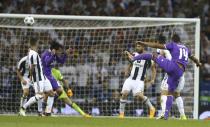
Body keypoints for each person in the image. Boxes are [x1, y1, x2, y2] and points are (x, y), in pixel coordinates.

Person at [127, 34, 201, 120]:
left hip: (172, 67)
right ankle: (167, 115)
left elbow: (157, 46)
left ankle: (133, 58)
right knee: (171, 93)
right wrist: (198, 63)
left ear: (173, 40)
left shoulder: (172, 45)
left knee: (151, 55)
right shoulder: (186, 48)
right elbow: (193, 58)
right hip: (180, 73)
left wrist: (144, 43)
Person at [41, 41, 90, 117]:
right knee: (49, 94)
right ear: (54, 49)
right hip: (45, 76)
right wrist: (52, 55)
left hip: (50, 76)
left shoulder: (54, 57)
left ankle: (47, 110)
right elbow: (47, 63)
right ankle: (44, 109)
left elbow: (61, 61)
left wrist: (66, 54)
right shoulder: (46, 54)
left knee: (57, 92)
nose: (60, 52)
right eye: (59, 50)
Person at [119, 44, 156, 118]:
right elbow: (131, 62)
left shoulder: (148, 57)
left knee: (139, 95)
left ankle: (152, 108)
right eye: (137, 46)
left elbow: (153, 69)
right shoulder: (134, 54)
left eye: (139, 46)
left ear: (143, 47)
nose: (137, 48)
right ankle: (121, 114)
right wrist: (127, 69)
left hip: (140, 80)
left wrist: (153, 79)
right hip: (130, 79)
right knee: (124, 94)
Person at [19, 39, 55, 116]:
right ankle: (23, 107)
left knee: (51, 93)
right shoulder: (33, 53)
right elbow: (32, 66)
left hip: (43, 76)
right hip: (38, 78)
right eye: (38, 43)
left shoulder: (34, 53)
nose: (39, 45)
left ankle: (47, 112)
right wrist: (31, 77)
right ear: (35, 44)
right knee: (40, 96)